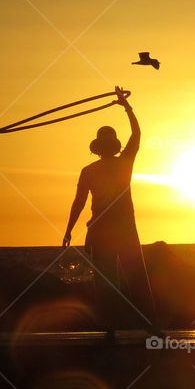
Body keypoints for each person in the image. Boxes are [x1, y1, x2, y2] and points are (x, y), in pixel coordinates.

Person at [63, 86, 158, 335]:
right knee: (136, 279)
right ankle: (151, 327)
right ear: (113, 147)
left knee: (105, 282)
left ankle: (111, 329)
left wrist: (68, 231)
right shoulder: (124, 162)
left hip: (103, 231)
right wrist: (126, 107)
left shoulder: (90, 170)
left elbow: (78, 203)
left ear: (98, 148)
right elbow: (137, 133)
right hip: (122, 230)